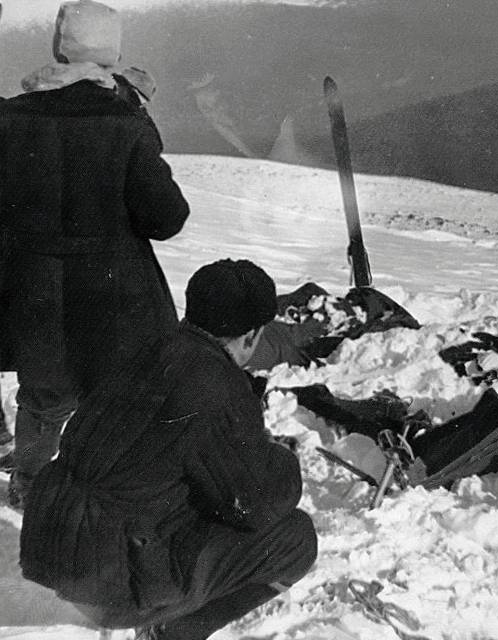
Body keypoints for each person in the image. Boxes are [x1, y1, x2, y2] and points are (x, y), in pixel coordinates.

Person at [19, 259, 318, 640]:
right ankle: (174, 632)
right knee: (295, 539)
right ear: (251, 336)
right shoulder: (216, 383)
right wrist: (281, 458)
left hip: (49, 544)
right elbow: (256, 505)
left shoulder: (145, 349)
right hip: (109, 584)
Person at [0, 0, 189, 507]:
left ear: (57, 46)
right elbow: (167, 219)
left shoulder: (7, 118)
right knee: (113, 395)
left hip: (33, 287)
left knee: (42, 395)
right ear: (114, 52)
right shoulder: (125, 120)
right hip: (113, 290)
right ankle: (106, 489)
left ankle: (30, 486)